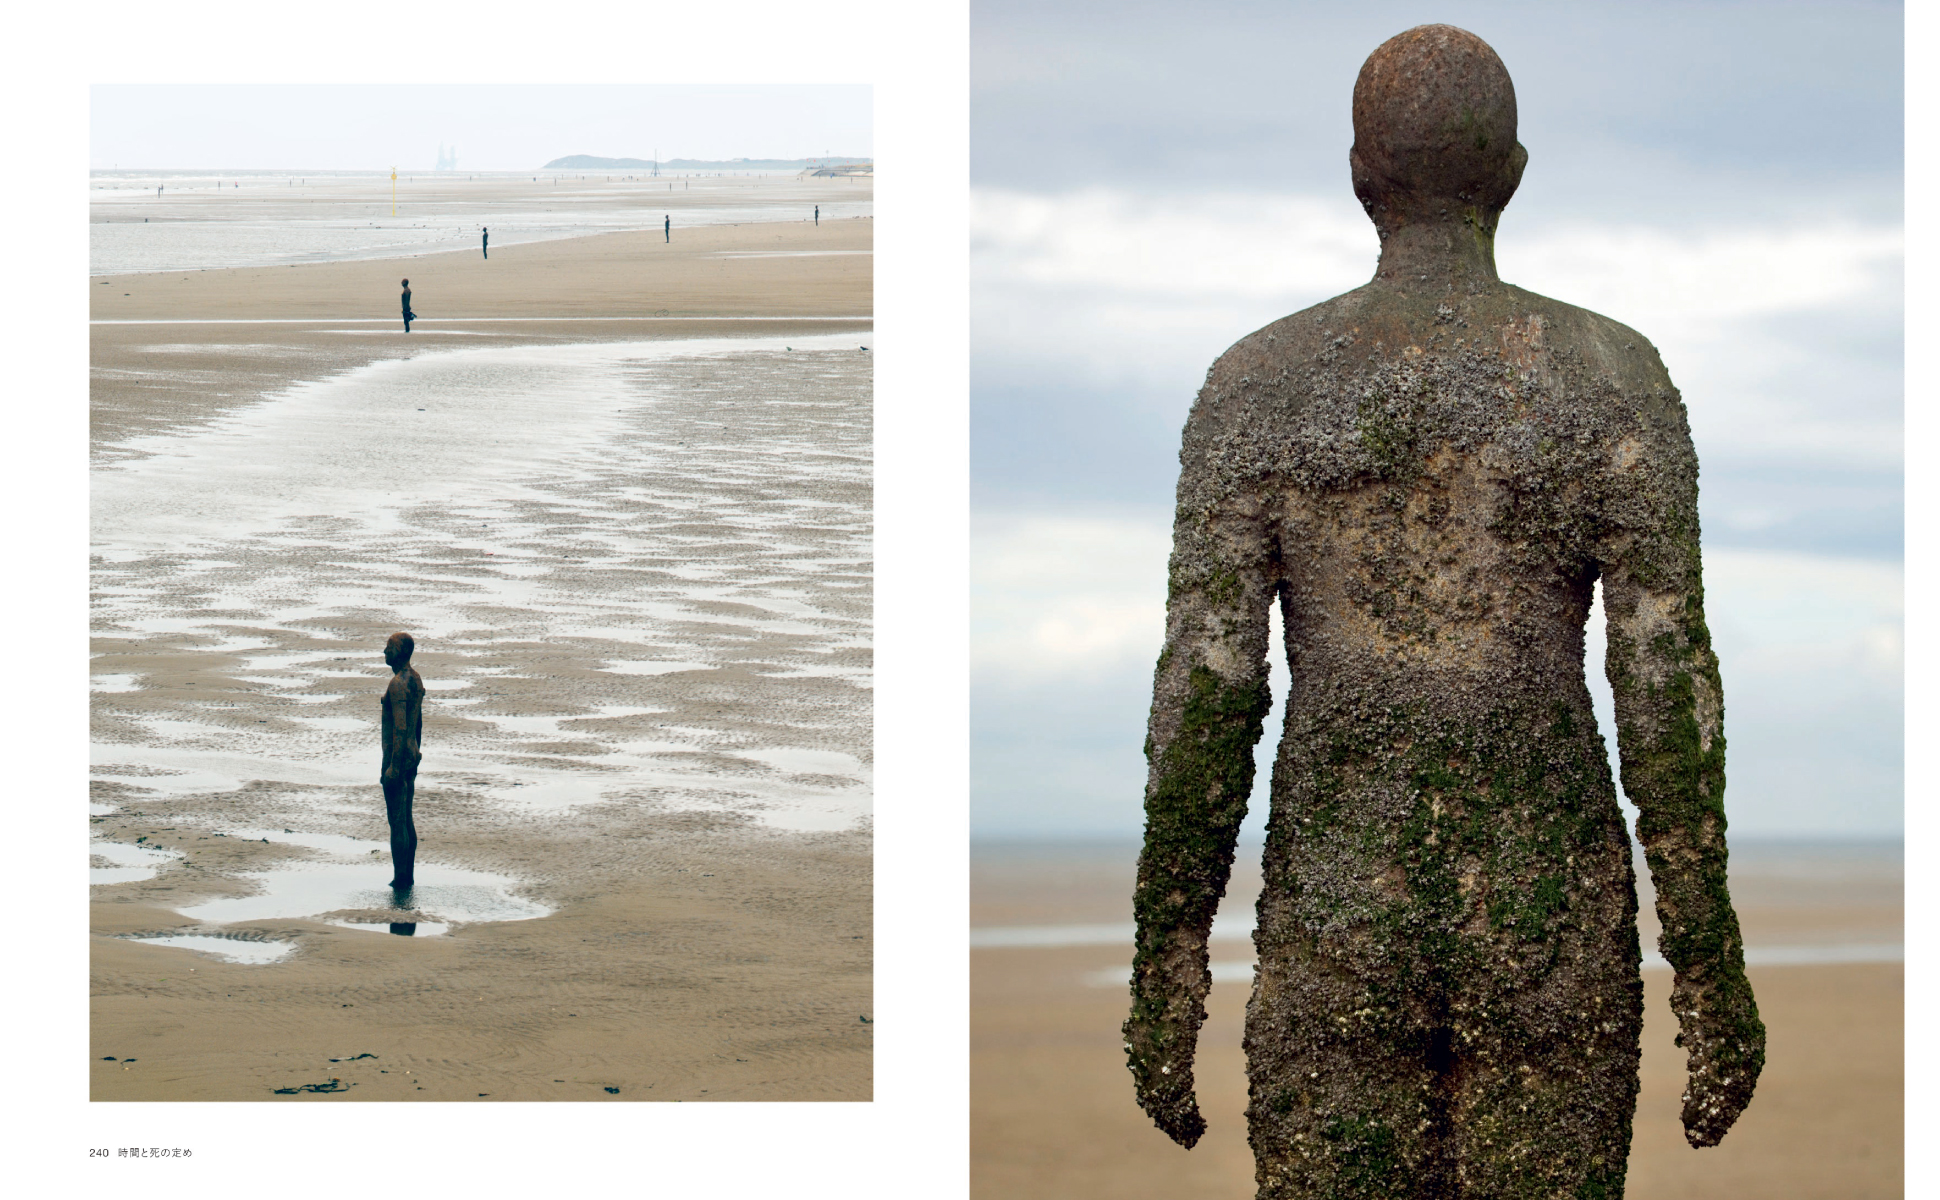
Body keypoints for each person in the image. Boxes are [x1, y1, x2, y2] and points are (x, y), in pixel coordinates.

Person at [1124, 25, 1762, 1199]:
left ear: (1359, 177)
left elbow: (1202, 696)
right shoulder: (1609, 378)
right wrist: (1708, 966)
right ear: (1511, 175)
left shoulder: (1254, 385)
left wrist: (1165, 966)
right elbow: (1667, 690)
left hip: (1336, 907)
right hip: (1547, 911)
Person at [380, 632, 425, 889]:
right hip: (411, 754)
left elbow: (400, 727)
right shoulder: (415, 678)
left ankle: (401, 878)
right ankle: (408, 876)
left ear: (399, 651)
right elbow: (417, 723)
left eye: (389, 647)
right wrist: (417, 751)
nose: (384, 651)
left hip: (397, 759)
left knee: (397, 821)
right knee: (407, 818)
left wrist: (393, 768)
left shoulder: (398, 684)